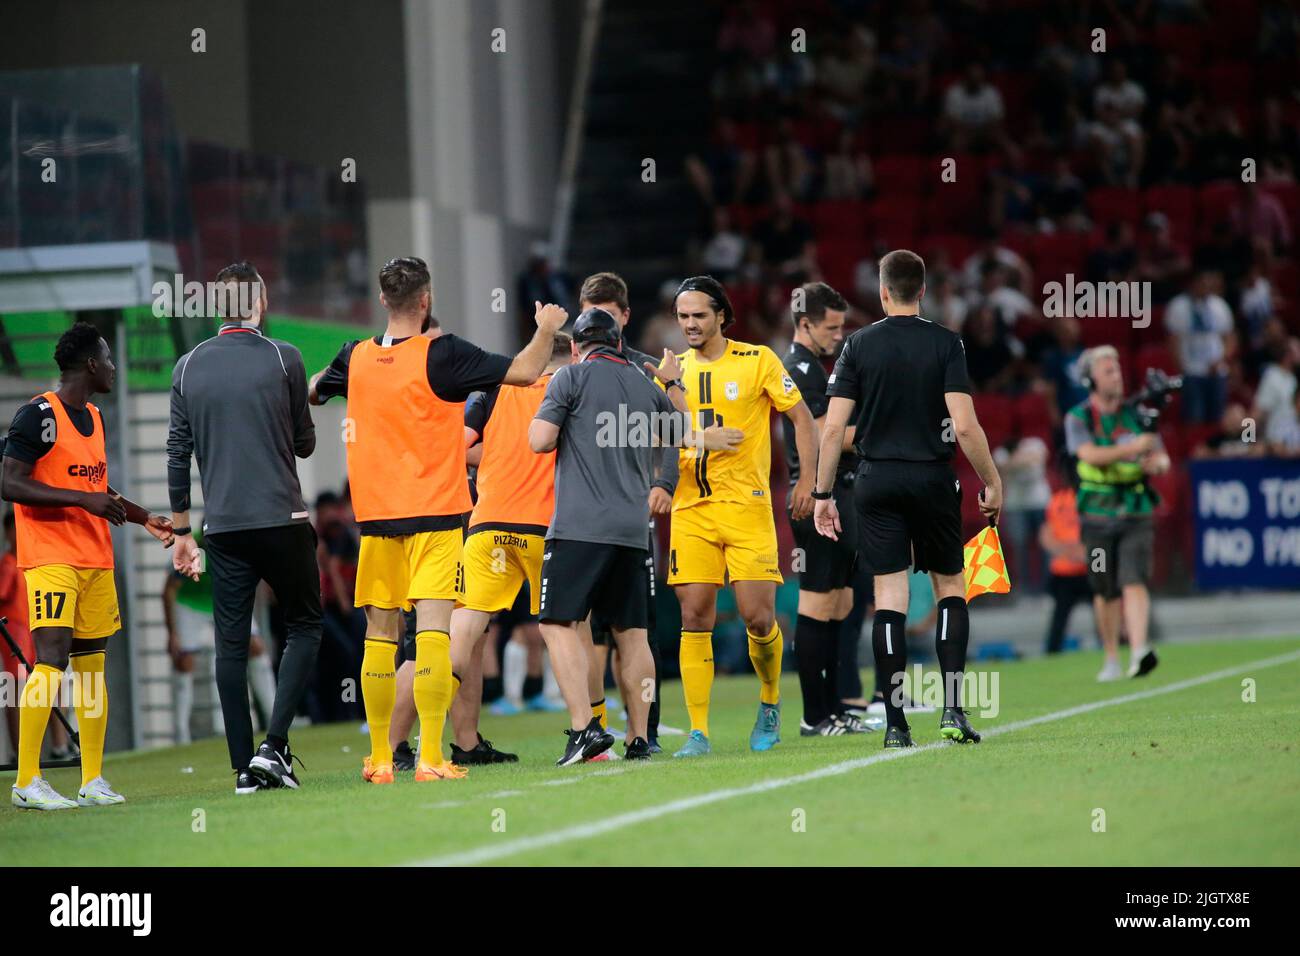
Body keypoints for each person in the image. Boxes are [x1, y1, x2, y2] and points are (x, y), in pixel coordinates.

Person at [310, 256, 564, 784]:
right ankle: (429, 757)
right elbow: (523, 371)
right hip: (437, 517)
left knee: (378, 637)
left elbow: (313, 390)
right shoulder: (442, 353)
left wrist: (325, 381)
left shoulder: (353, 357)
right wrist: (544, 329)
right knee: (431, 634)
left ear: (383, 300)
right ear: (425, 301)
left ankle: (380, 758)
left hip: (376, 520)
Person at [528, 307, 742, 765]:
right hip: (632, 530)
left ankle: (585, 729)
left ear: (575, 346)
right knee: (633, 634)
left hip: (579, 528)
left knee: (555, 623)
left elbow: (540, 440)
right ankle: (640, 738)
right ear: (619, 344)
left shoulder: (570, 378)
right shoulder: (647, 387)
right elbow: (684, 435)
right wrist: (673, 385)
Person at [813, 249, 1002, 749]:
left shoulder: (856, 345)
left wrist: (822, 494)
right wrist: (991, 480)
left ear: (881, 291)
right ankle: (953, 712)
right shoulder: (946, 343)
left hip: (875, 481)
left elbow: (832, 431)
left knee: (889, 598)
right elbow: (963, 424)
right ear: (922, 291)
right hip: (932, 479)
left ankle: (896, 725)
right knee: (950, 588)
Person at [4, 322, 175, 809]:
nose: (115, 367)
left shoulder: (96, 418)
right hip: (51, 557)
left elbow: (97, 490)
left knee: (93, 667)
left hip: (95, 558)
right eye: (109, 358)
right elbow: (10, 483)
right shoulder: (39, 415)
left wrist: (145, 519)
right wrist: (83, 501)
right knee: (51, 658)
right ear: (92, 364)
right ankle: (27, 781)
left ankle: (92, 778)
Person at [167, 262, 322, 795]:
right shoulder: (286, 358)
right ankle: (273, 746)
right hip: (282, 517)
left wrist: (183, 530)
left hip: (223, 528)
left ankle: (243, 770)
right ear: (259, 305)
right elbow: (305, 443)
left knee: (229, 647)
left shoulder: (187, 368)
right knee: (304, 624)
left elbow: (176, 451)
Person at [663, 276, 819, 757]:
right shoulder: (671, 372)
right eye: (683, 316)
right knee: (694, 616)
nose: (690, 324)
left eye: (699, 316)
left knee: (757, 617)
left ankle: (770, 701)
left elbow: (804, 421)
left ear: (722, 317)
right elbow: (657, 435)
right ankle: (697, 731)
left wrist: (808, 481)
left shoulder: (758, 360)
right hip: (690, 508)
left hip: (747, 508)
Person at [443, 331, 574, 765]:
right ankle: (586, 732)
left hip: (488, 524)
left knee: (463, 631)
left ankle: (437, 738)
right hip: (545, 526)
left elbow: (457, 449)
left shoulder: (493, 390)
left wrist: (501, 453)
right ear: (571, 355)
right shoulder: (569, 390)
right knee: (566, 630)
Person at [576, 272, 679, 754]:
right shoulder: (571, 363)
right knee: (591, 632)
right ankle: (595, 729)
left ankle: (645, 732)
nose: (596, 321)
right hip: (585, 517)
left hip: (629, 516)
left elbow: (677, 428)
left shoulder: (647, 369)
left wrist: (663, 480)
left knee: (635, 631)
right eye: (588, 310)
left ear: (625, 316)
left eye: (605, 312)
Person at [780, 282, 871, 737]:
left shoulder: (814, 367)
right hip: (820, 498)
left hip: (838, 494)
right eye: (831, 327)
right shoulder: (798, 369)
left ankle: (834, 709)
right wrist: (881, 430)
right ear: (805, 324)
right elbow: (820, 434)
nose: (839, 335)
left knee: (840, 603)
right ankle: (814, 715)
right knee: (818, 604)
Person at [1065, 346, 1170, 681]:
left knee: (1134, 579)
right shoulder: (1078, 418)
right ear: (1090, 379)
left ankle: (1139, 650)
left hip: (1136, 511)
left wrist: (1157, 462)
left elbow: (1162, 456)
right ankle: (1111, 656)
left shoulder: (1137, 413)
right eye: (1108, 371)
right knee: (1105, 588)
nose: (1117, 376)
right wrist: (1133, 449)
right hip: (1095, 515)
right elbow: (1089, 455)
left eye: (1118, 370)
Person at [162, 530, 276, 744]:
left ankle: (274, 719)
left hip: (226, 601)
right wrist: (172, 633)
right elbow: (169, 589)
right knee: (185, 661)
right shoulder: (194, 546)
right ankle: (181, 735)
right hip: (191, 605)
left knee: (256, 646)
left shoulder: (238, 542)